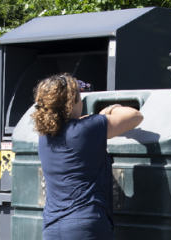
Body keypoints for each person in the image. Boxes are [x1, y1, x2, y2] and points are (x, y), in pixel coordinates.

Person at [32, 73, 143, 240]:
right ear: (72, 103)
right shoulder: (89, 129)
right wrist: (110, 109)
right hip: (86, 225)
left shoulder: (44, 136)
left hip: (52, 227)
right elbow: (135, 116)